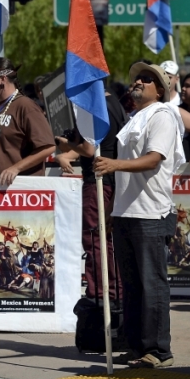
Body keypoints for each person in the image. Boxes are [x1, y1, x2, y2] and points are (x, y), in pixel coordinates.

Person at [94, 62, 184, 370]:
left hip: (151, 212)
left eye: (148, 79)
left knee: (152, 284)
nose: (139, 82)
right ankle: (136, 346)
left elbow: (153, 160)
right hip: (126, 211)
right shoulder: (133, 118)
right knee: (132, 285)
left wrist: (113, 166)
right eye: (137, 78)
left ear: (160, 90)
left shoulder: (162, 116)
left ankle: (159, 350)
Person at [55, 86, 127, 301]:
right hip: (110, 180)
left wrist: (64, 143)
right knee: (106, 240)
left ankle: (102, 295)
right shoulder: (114, 103)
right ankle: (112, 293)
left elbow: (88, 149)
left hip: (98, 183)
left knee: (97, 240)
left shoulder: (93, 107)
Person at [0, 57, 56, 185]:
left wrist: (16, 168)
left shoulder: (26, 106)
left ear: (3, 77)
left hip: (20, 192)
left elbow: (48, 147)